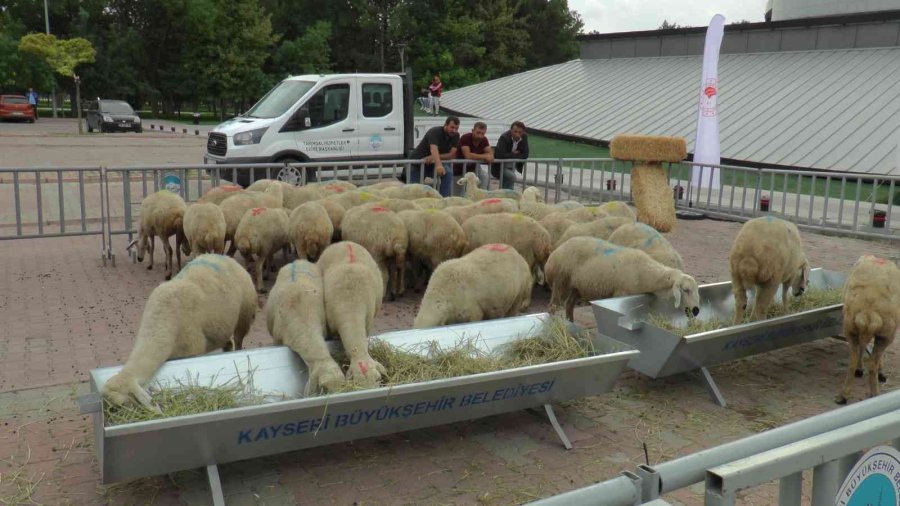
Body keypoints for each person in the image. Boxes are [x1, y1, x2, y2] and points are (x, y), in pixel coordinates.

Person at [405, 116, 460, 197]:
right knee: (413, 192)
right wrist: (438, 165)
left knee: (448, 173)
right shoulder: (435, 131)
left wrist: (433, 157)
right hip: (417, 164)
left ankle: (445, 199)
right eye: (452, 127)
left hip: (432, 164)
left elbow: (452, 155)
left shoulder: (456, 135)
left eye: (456, 128)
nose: (454, 130)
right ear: (445, 125)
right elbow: (434, 149)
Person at [454, 121, 493, 193]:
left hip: (474, 169)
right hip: (458, 169)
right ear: (473, 131)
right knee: (457, 193)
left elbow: (491, 155)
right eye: (478, 133)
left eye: (482, 133)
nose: (480, 136)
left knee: (484, 176)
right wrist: (485, 156)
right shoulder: (465, 137)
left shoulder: (484, 139)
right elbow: (468, 155)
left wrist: (488, 156)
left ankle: (481, 198)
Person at [491, 121, 529, 189]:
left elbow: (525, 154)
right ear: (511, 130)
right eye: (515, 131)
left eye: (520, 132)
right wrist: (514, 154)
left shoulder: (524, 137)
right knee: (511, 177)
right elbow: (499, 155)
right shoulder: (504, 138)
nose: (517, 135)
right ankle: (507, 194)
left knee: (509, 179)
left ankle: (504, 194)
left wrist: (512, 155)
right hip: (499, 166)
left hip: (512, 165)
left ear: (523, 132)